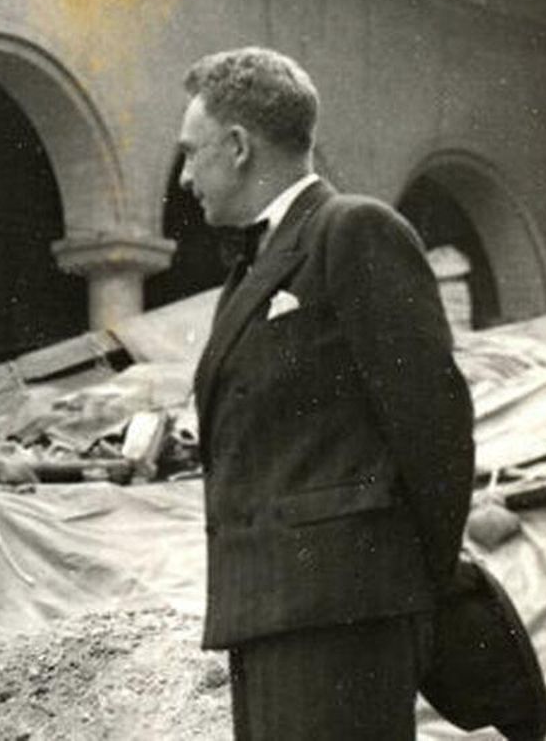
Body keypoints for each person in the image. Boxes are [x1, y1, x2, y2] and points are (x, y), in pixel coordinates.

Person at [177, 47, 474, 739]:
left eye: (192, 154)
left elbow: (435, 427)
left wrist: (399, 584)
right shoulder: (252, 269)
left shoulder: (352, 231)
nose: (186, 176)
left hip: (343, 618)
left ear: (239, 146)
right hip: (273, 615)